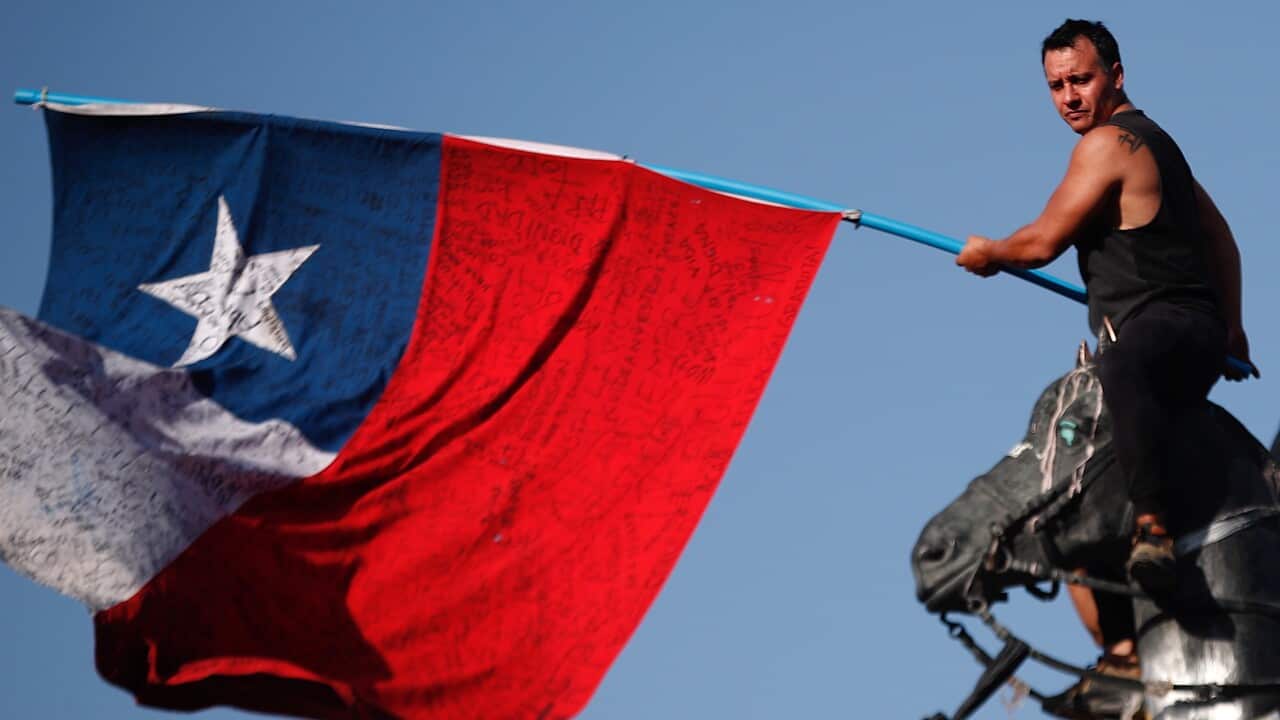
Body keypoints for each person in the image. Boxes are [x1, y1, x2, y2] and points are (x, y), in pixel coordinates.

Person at [956, 18, 1256, 719]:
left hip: (1167, 333)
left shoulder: (1109, 144)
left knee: (1118, 368)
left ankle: (1153, 529)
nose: (1069, 96)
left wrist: (990, 253)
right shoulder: (1162, 149)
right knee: (1070, 478)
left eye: (1081, 79)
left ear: (1116, 75)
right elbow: (1223, 241)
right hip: (1179, 337)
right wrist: (1235, 329)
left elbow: (1040, 243)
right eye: (1056, 86)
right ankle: (1121, 653)